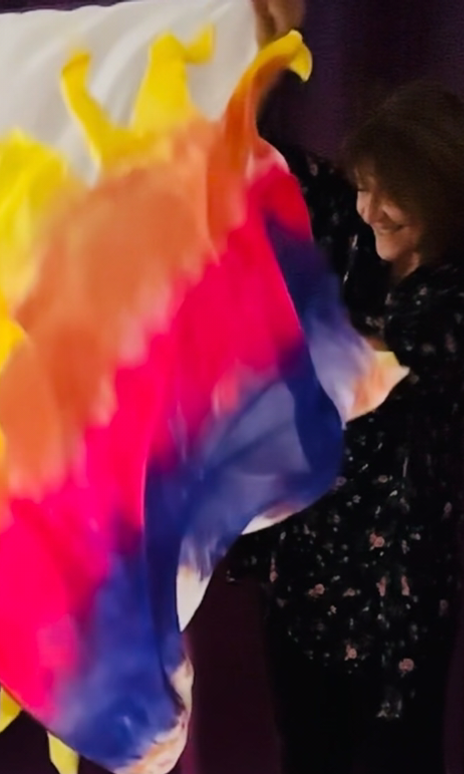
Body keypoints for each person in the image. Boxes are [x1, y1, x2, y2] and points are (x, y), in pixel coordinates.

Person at [228, 81, 464, 774]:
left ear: (444, 195)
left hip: (393, 599)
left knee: (393, 760)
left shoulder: (452, 299)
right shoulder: (360, 229)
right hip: (307, 575)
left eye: (392, 196)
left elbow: (363, 359)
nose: (369, 209)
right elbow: (270, 165)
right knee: (305, 750)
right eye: (364, 186)